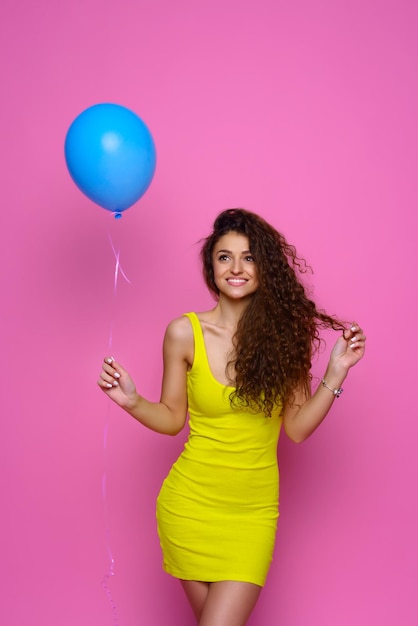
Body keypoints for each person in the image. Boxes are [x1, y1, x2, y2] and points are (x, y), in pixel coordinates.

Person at [98, 208, 366, 626]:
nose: (236, 268)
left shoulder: (284, 339)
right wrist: (131, 401)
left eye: (249, 257)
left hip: (252, 515)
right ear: (211, 267)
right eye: (225, 257)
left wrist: (335, 373)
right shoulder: (184, 332)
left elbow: (295, 429)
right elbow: (172, 418)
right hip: (189, 507)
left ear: (265, 267)